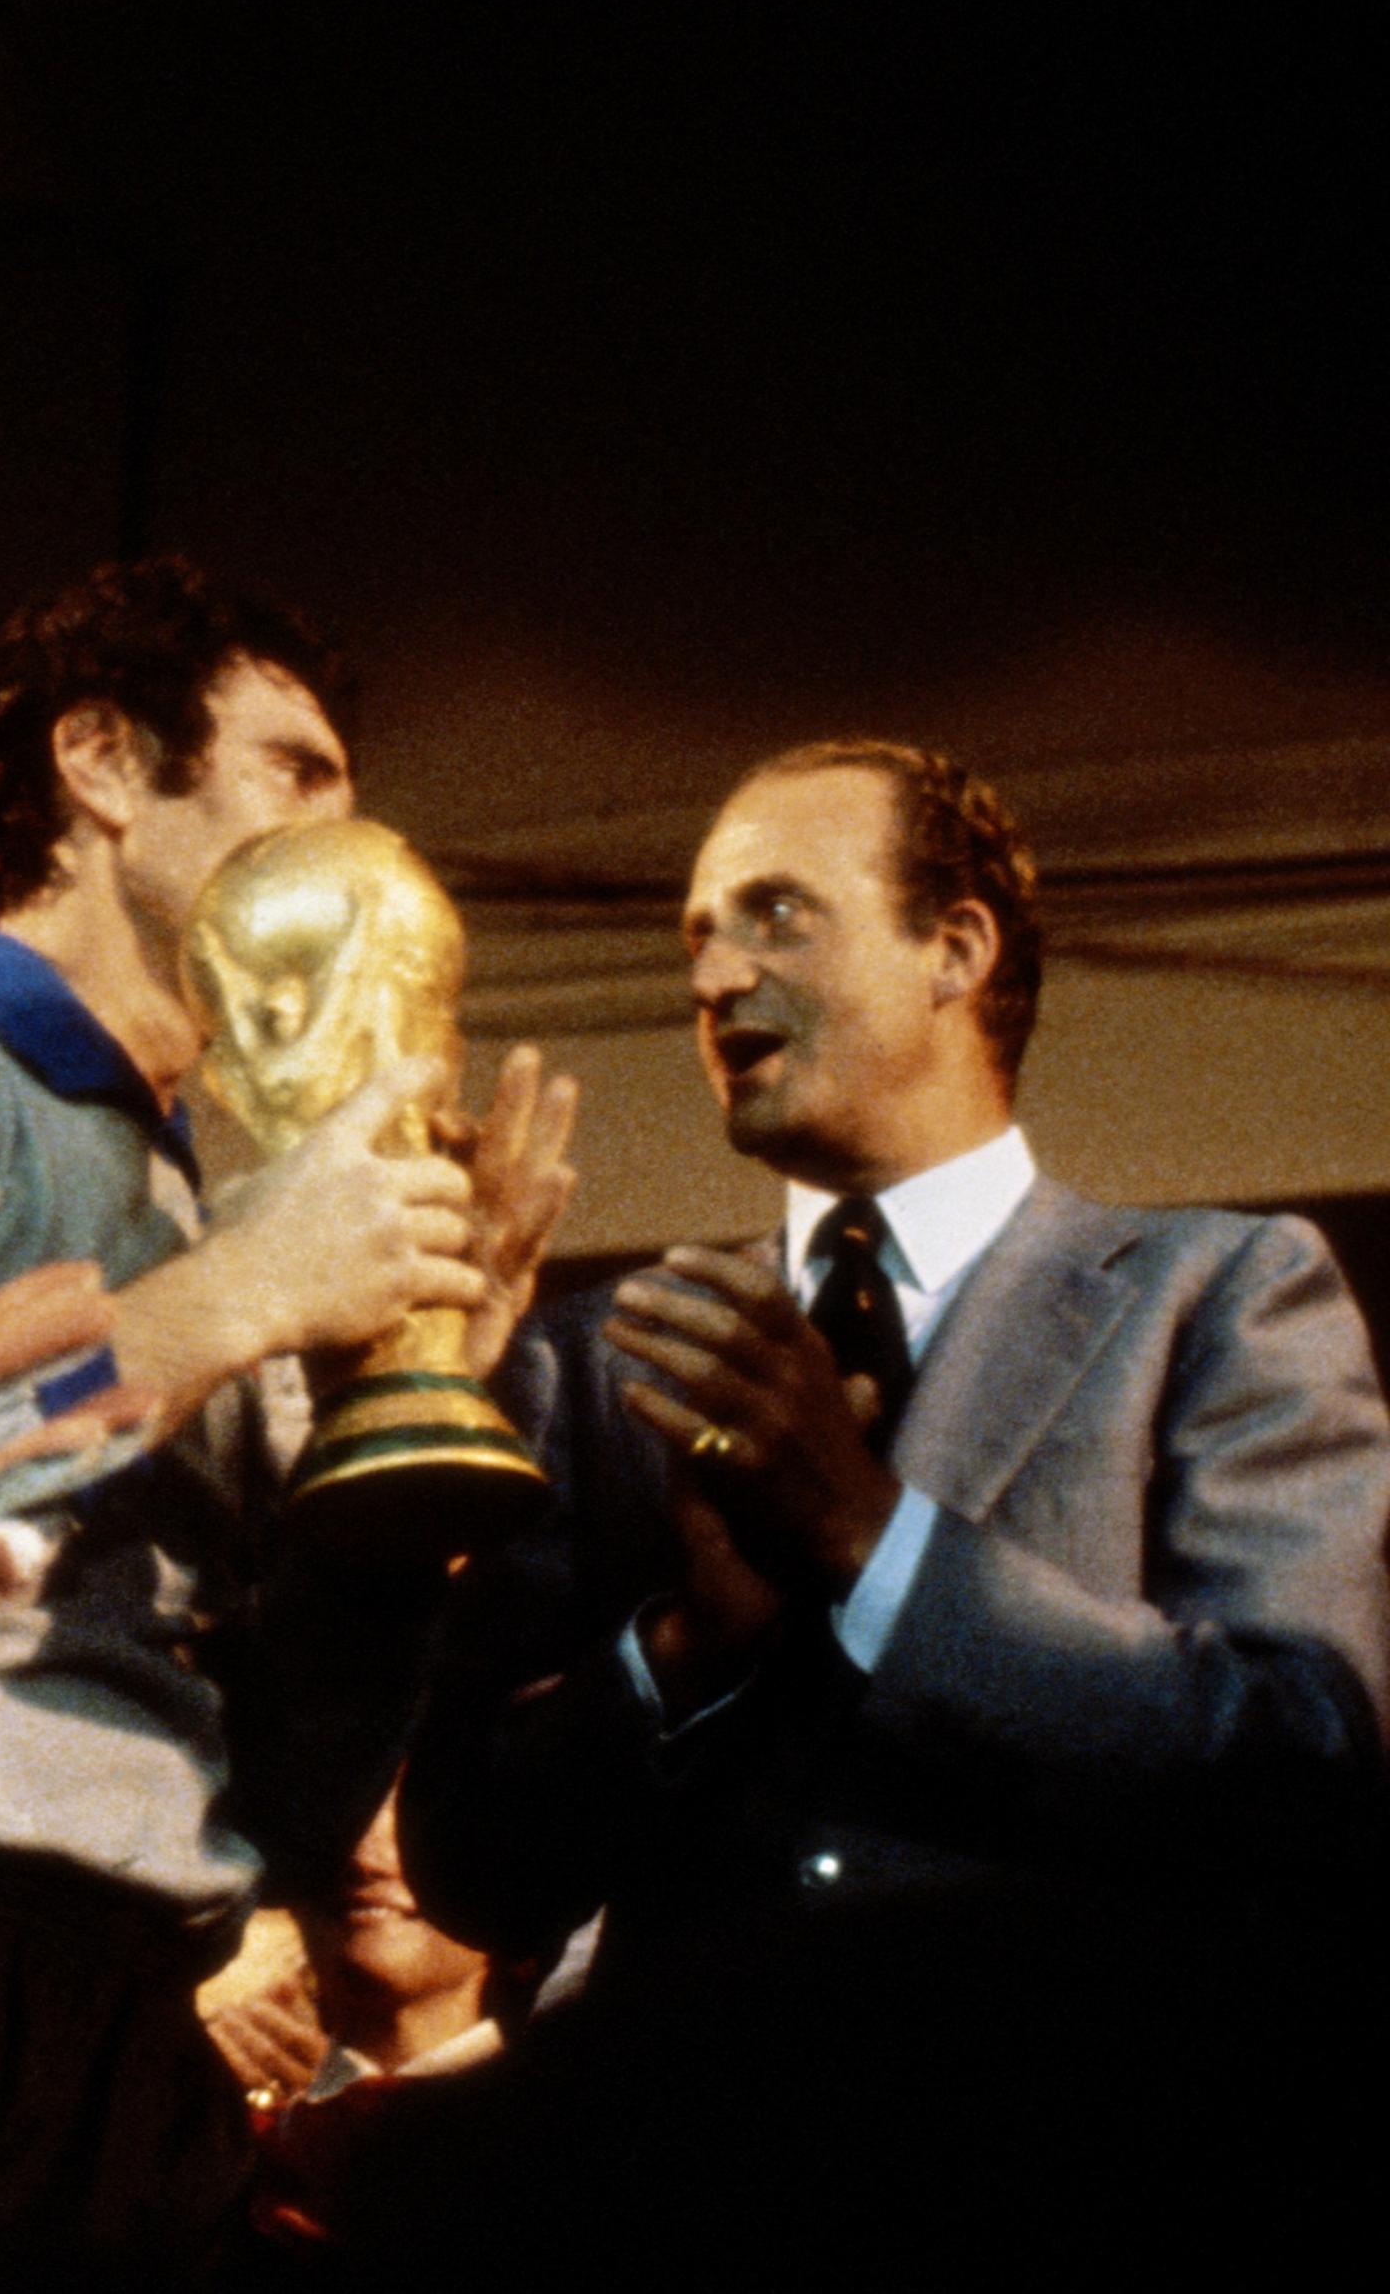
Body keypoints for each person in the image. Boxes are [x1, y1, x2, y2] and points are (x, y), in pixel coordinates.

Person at [0, 556, 577, 2293]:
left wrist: (417, 1409)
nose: (339, 841)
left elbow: (291, 1791)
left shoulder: (219, 1201)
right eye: (293, 769)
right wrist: (234, 1299)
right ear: (99, 762)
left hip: (132, 2003)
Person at [386, 739, 1390, 2283]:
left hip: (1076, 2185)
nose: (715, 973)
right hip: (672, 2202)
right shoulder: (604, 1359)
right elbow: (469, 1861)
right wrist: (682, 1644)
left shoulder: (1220, 1292)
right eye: (696, 937)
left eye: (776, 914)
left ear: (958, 948)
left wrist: (878, 1548)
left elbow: (1298, 1749)